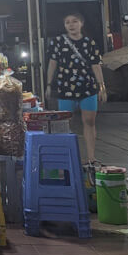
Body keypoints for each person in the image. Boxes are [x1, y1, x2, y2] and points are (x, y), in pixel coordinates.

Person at [46, 12, 106, 164]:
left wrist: (102, 86)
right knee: (64, 123)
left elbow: (96, 65)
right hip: (66, 88)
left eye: (75, 21)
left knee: (90, 121)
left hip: (88, 88)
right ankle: (68, 156)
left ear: (81, 23)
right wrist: (48, 84)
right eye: (67, 22)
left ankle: (91, 157)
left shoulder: (90, 43)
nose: (71, 25)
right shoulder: (58, 42)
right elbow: (52, 64)